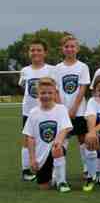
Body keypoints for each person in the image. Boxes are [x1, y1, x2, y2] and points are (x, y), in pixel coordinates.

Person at [23, 77, 72, 192]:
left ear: (55, 93)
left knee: (57, 149)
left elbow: (65, 128)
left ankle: (62, 182)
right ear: (38, 94)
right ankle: (54, 176)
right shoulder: (33, 112)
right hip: (41, 155)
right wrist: (32, 159)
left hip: (56, 148)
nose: (46, 96)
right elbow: (30, 137)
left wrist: (59, 141)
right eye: (43, 93)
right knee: (44, 187)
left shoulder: (61, 109)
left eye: (50, 93)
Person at [19, 39, 57, 182]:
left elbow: (55, 90)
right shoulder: (25, 70)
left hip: (48, 110)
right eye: (32, 50)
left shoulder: (51, 70)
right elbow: (24, 88)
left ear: (45, 52)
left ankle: (50, 168)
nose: (35, 53)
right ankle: (26, 170)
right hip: (29, 111)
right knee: (27, 139)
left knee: (48, 138)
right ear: (29, 53)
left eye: (39, 50)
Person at [53, 34, 90, 177]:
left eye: (72, 46)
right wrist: (62, 109)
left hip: (79, 111)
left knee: (83, 139)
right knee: (62, 140)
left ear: (77, 48)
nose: (70, 49)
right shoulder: (58, 68)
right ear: (62, 49)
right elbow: (56, 90)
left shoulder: (83, 67)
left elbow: (82, 88)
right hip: (63, 112)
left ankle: (87, 168)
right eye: (67, 46)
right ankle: (58, 172)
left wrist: (74, 108)